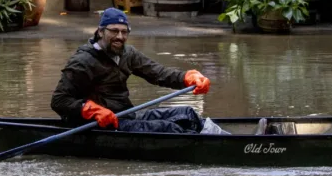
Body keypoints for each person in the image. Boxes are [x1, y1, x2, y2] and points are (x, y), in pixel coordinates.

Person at [51, 8, 225, 134]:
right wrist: (92, 110)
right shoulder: (83, 61)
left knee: (188, 114)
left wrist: (188, 77)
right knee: (171, 129)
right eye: (114, 31)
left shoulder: (128, 54)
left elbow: (159, 73)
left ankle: (221, 138)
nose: (120, 37)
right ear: (101, 32)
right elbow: (59, 100)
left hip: (127, 116)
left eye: (124, 32)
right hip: (100, 124)